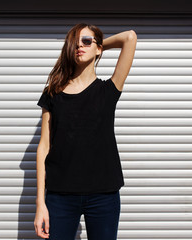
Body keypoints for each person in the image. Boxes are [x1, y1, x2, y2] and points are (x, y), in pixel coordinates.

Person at [34, 22, 137, 240]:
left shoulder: (108, 90)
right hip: (60, 196)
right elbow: (44, 146)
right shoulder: (53, 93)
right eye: (75, 42)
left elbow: (129, 37)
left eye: (86, 41)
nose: (80, 46)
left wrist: (98, 45)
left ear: (98, 48)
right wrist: (40, 203)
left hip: (104, 194)